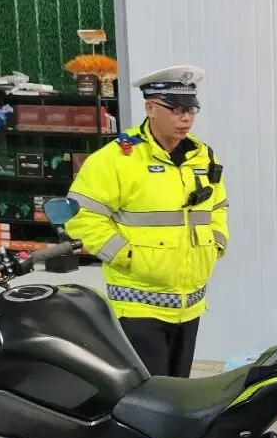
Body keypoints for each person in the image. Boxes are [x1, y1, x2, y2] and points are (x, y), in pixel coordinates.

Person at [65, 65, 229, 378]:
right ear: (150, 108)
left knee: (177, 388)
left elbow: (218, 206)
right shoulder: (116, 159)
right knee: (146, 393)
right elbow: (80, 215)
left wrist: (217, 242)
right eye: (176, 109)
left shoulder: (203, 156)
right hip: (138, 305)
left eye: (191, 109)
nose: (186, 118)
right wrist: (126, 255)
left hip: (190, 303)